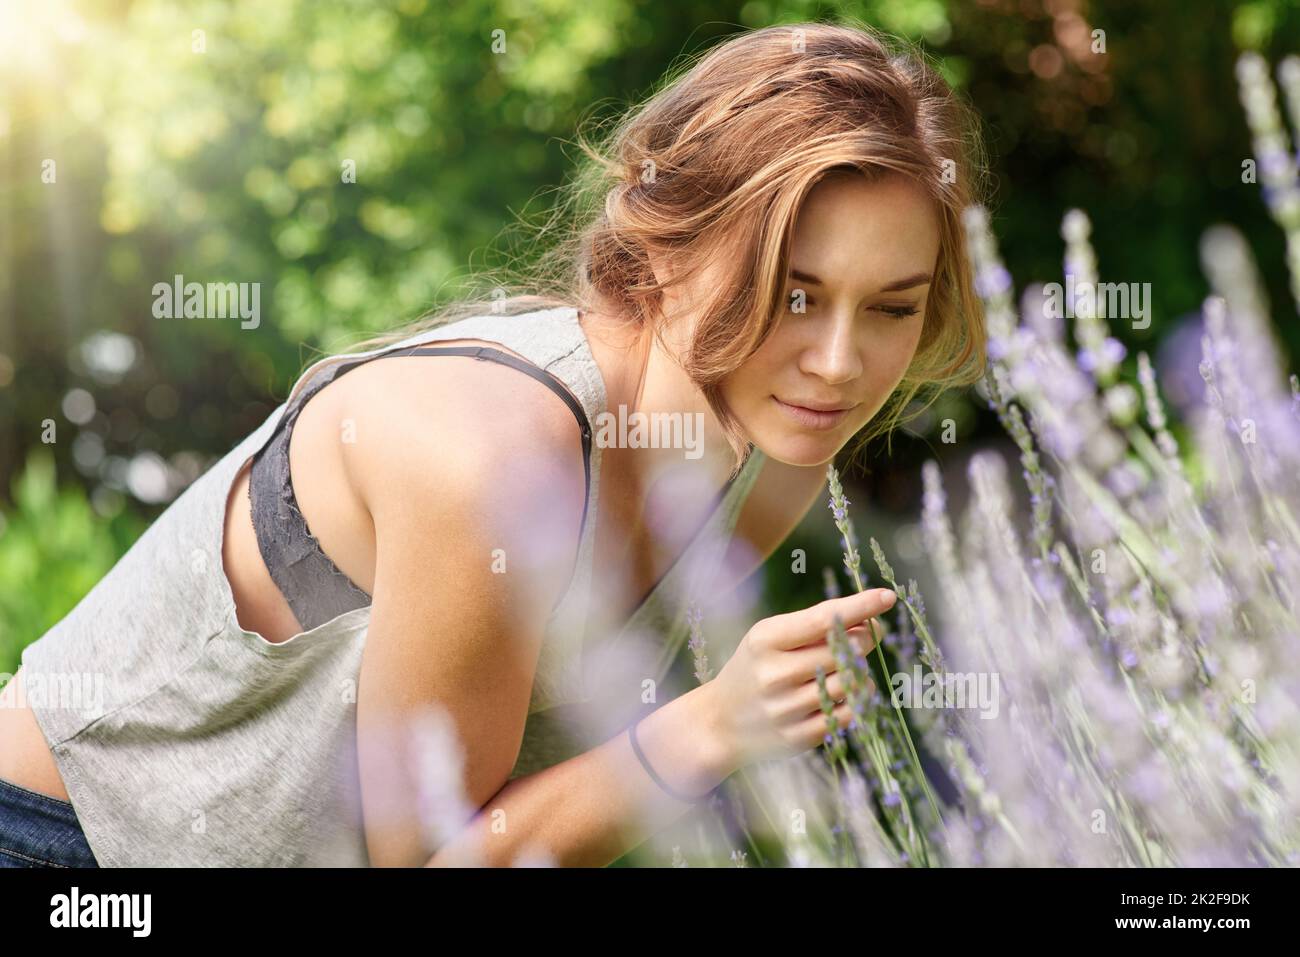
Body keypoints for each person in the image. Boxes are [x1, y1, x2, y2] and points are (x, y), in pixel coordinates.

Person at [0, 20, 986, 867]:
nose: (840, 365)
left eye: (891, 308)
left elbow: (529, 802)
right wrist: (706, 728)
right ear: (664, 236)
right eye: (795, 294)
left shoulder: (772, 460)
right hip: (63, 841)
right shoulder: (490, 453)